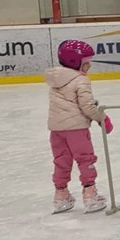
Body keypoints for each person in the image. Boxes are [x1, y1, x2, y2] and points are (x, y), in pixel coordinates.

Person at [47, 38, 111, 213]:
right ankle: (90, 194)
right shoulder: (81, 80)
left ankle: (61, 195)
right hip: (76, 129)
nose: (89, 66)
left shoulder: (56, 79)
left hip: (56, 130)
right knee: (85, 159)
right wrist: (102, 119)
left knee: (61, 161)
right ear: (75, 62)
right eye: (86, 63)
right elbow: (87, 107)